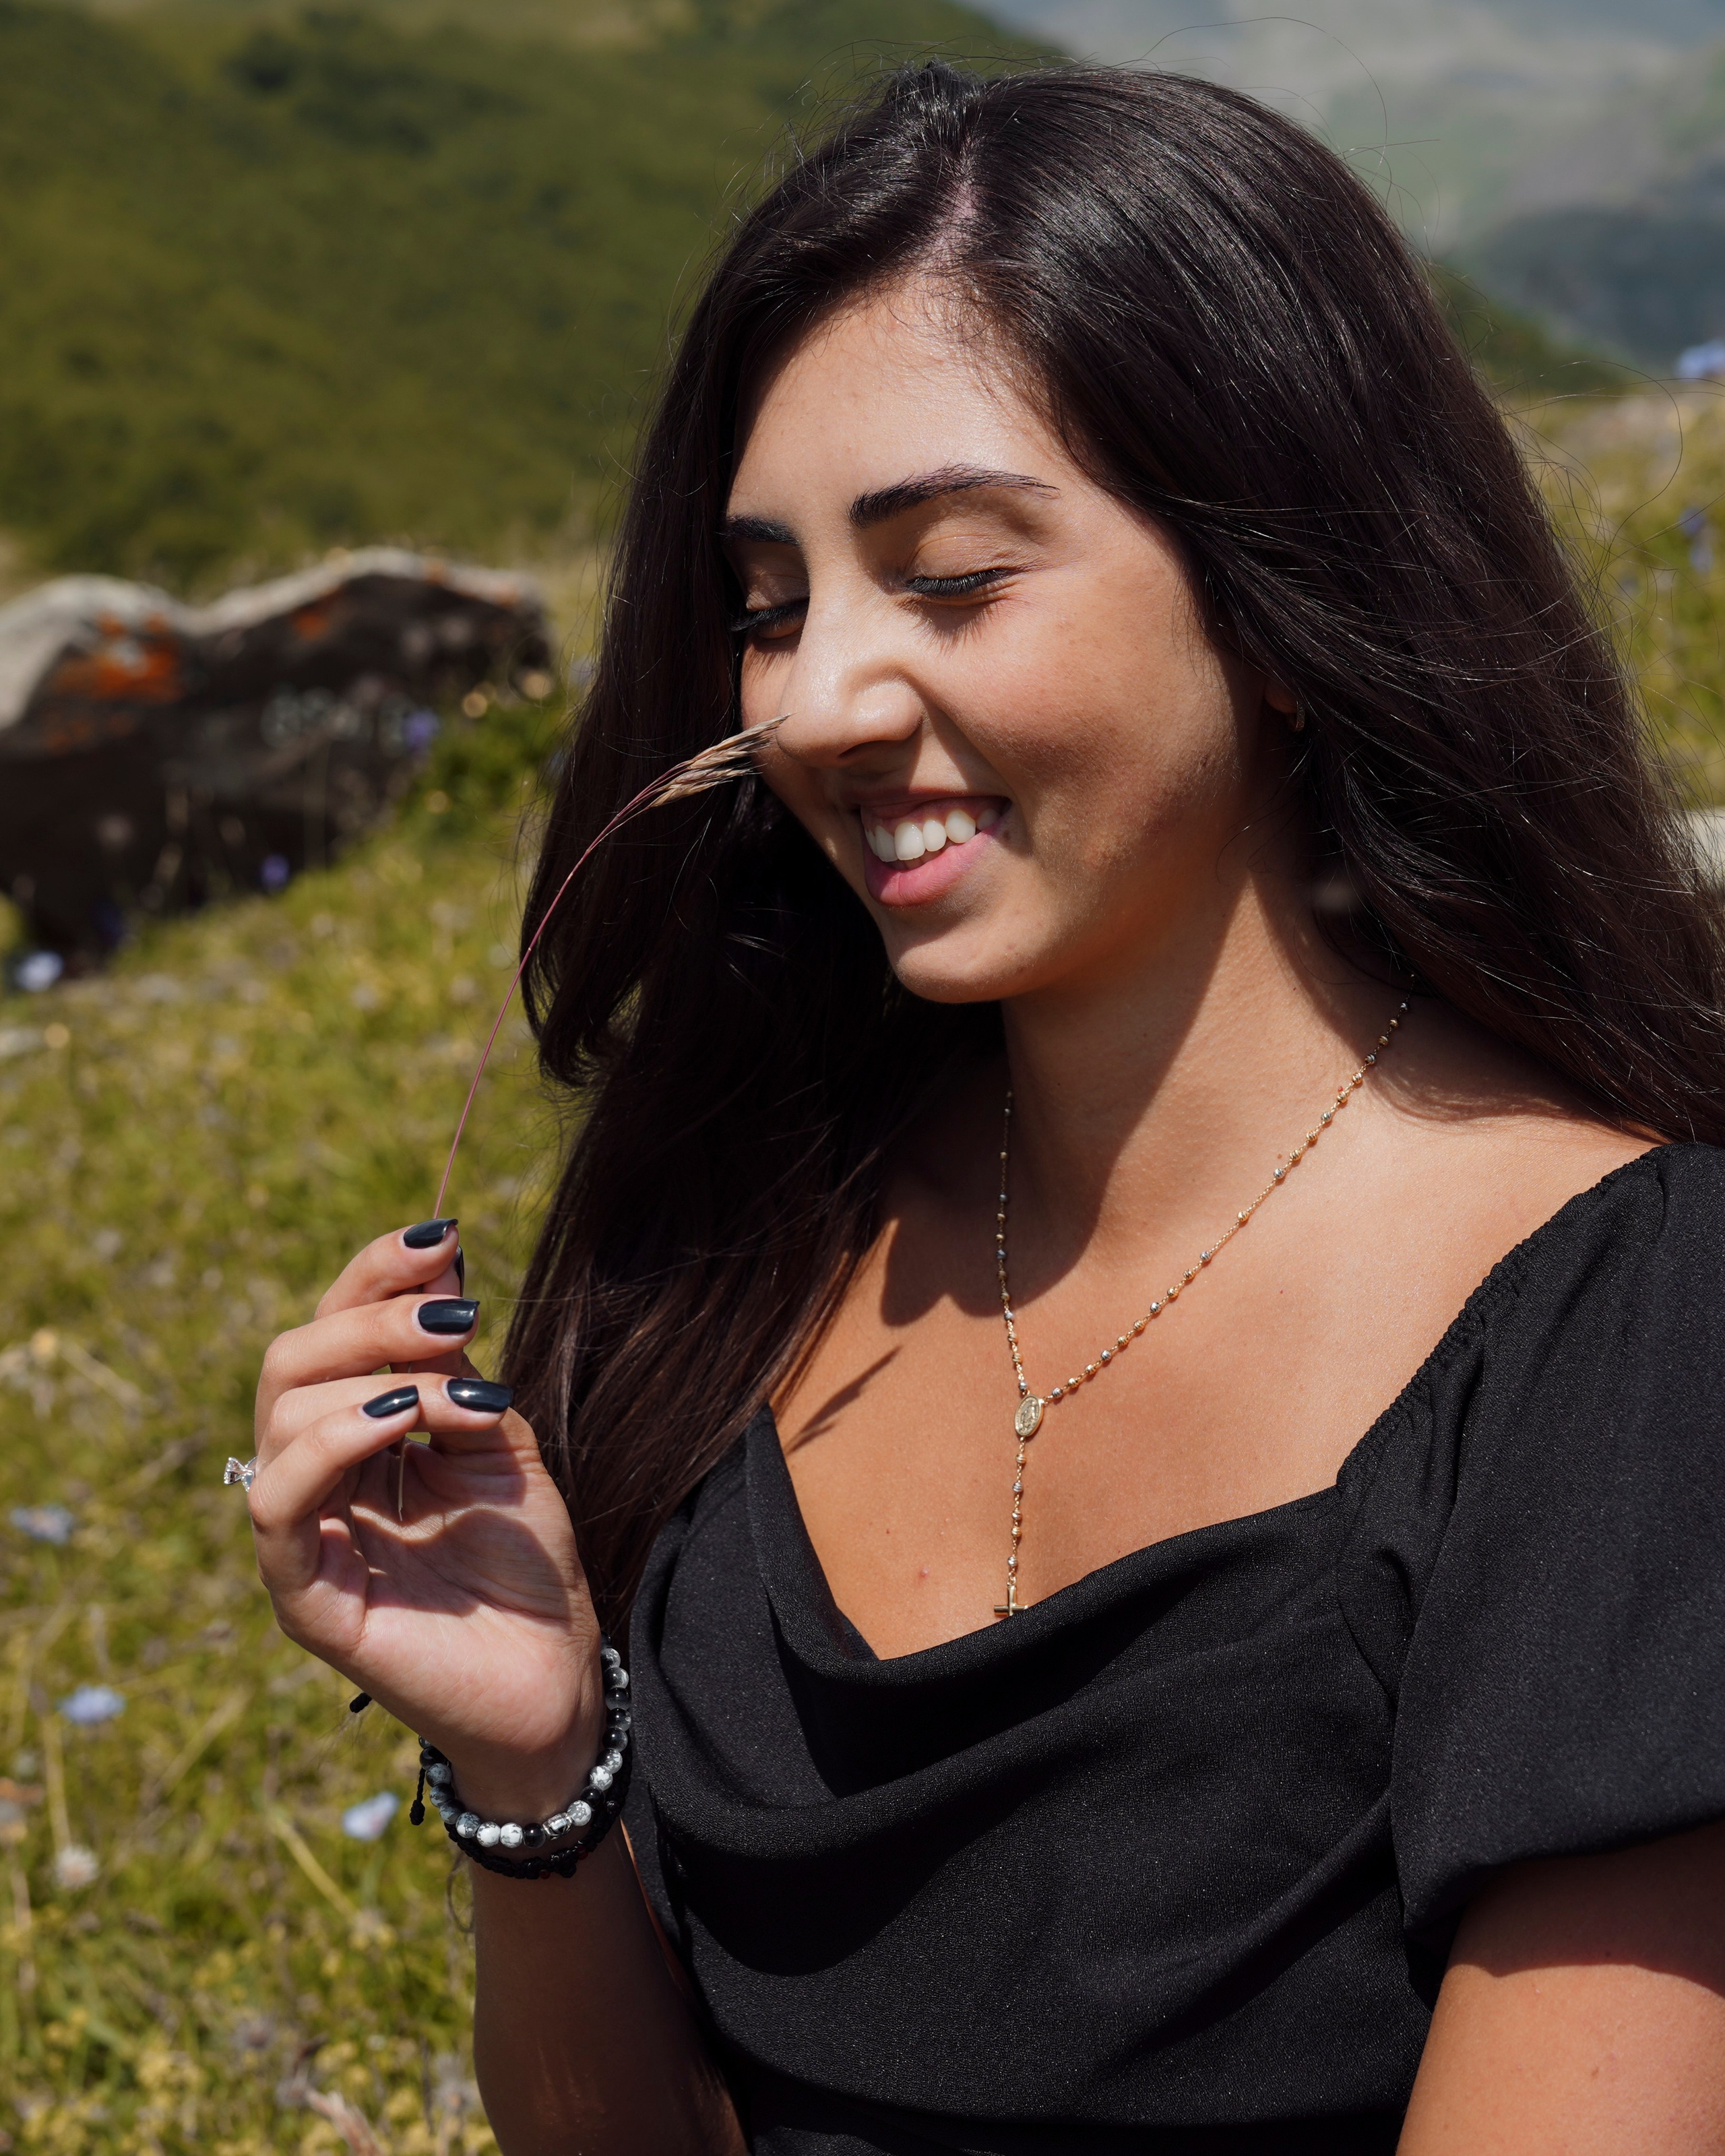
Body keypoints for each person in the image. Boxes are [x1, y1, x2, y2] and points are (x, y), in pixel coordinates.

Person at [246, 61, 1725, 2155]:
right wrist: (531, 1769)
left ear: (1284, 596)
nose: (816, 702)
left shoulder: (1628, 1332)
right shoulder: (739, 1259)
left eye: (947, 575)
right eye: (768, 604)